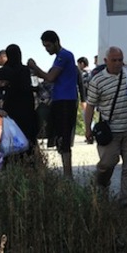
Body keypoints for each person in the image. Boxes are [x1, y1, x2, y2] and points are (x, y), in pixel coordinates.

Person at [83, 46, 127, 207]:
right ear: (106, 61)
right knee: (106, 164)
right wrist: (88, 129)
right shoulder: (98, 80)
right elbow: (90, 106)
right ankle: (101, 186)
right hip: (111, 131)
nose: (118, 63)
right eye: (114, 60)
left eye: (120, 60)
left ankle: (126, 202)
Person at [28, 31, 79, 177]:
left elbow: (50, 77)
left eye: (48, 45)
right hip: (59, 100)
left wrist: (35, 67)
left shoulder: (64, 56)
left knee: (64, 138)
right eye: (45, 46)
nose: (47, 49)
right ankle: (66, 173)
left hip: (66, 101)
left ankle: (68, 175)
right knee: (59, 137)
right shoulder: (59, 58)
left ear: (56, 42)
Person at [0, 44, 39, 154]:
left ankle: (10, 159)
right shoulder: (24, 70)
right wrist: (36, 89)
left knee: (12, 134)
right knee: (27, 134)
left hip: (10, 106)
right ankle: (29, 159)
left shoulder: (5, 69)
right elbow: (25, 87)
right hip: (25, 108)